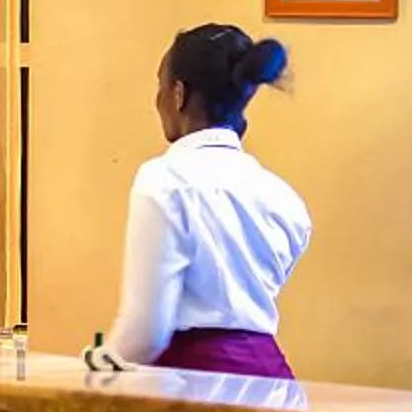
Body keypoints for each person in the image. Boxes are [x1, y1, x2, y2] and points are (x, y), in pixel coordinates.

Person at [103, 24, 310, 377]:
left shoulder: (164, 181)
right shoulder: (284, 199)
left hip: (194, 385)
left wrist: (96, 368)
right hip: (274, 385)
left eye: (160, 86)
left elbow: (145, 333)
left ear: (178, 94)